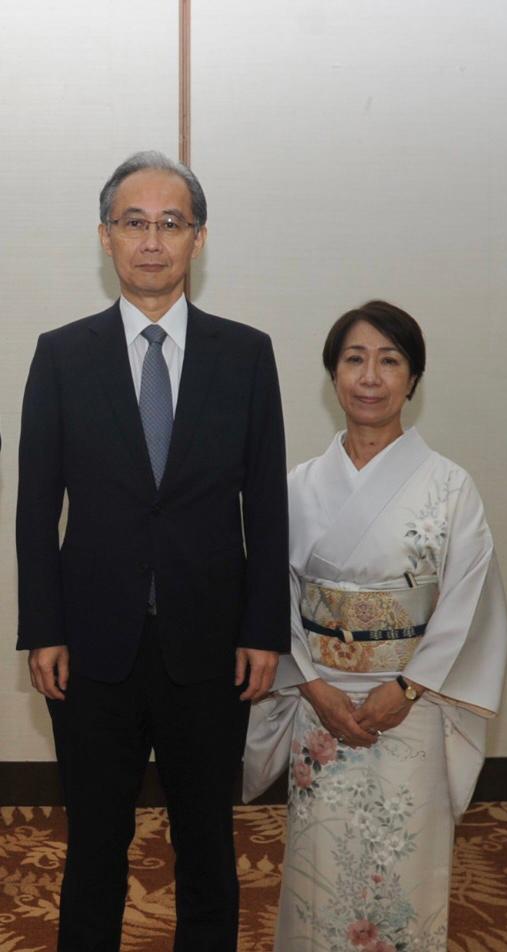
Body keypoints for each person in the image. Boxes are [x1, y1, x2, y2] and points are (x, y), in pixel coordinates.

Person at [16, 151, 290, 952]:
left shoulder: (245, 355)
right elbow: (37, 509)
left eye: (171, 223)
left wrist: (263, 629)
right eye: (134, 222)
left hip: (211, 649)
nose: (152, 240)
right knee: (94, 848)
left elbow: (265, 506)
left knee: (208, 846)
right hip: (91, 650)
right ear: (105, 237)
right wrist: (44, 629)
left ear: (197, 240)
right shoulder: (61, 356)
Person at [244, 300, 507, 952]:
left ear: (412, 379)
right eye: (353, 359)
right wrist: (311, 686)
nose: (370, 376)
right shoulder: (298, 487)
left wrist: (409, 687)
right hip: (321, 704)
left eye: (389, 360)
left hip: (411, 706)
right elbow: (266, 596)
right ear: (332, 375)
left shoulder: (449, 488)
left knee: (404, 862)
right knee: (321, 867)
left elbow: (467, 602)